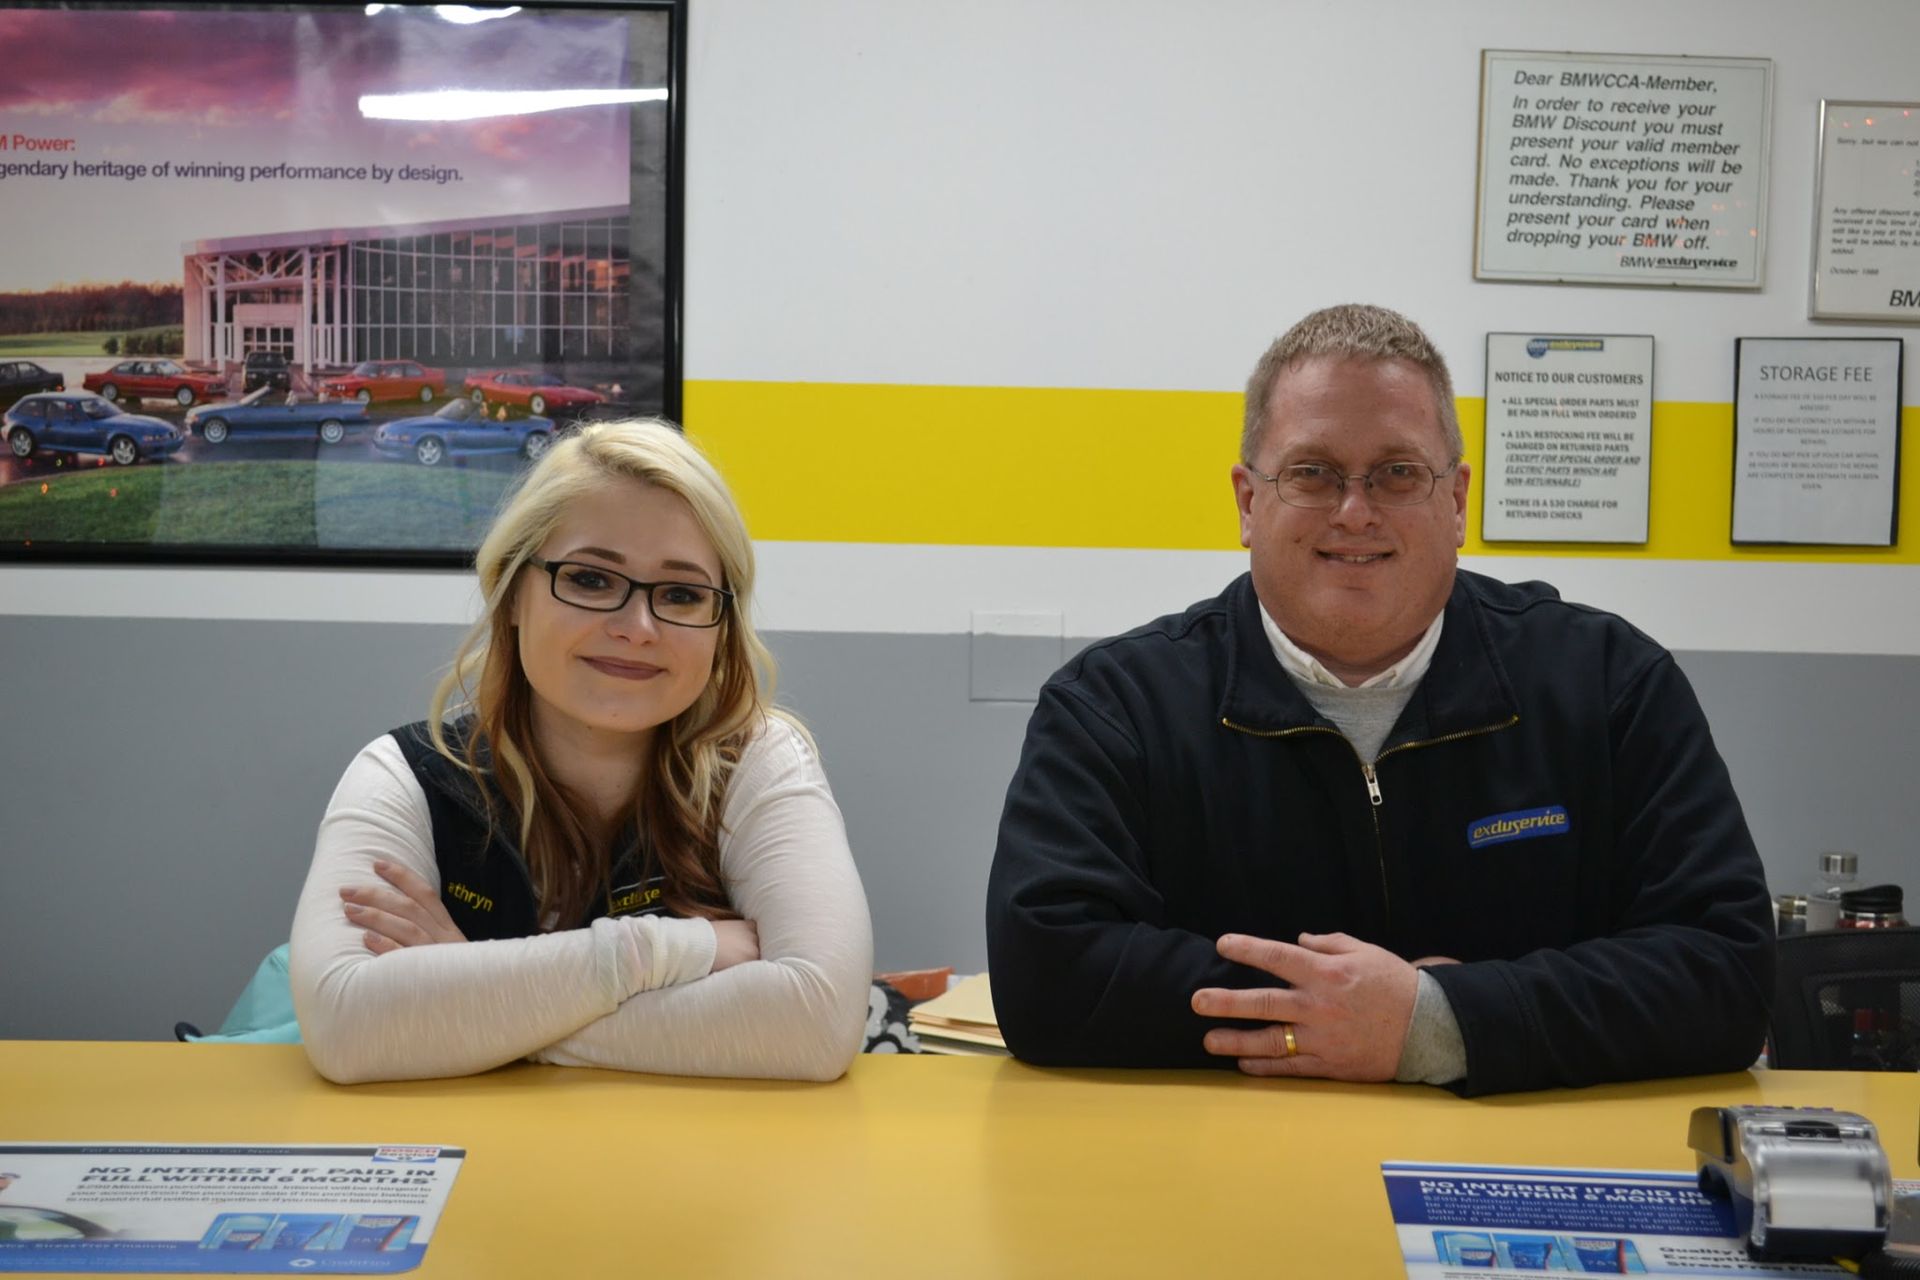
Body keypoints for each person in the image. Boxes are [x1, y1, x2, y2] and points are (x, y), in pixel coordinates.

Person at [984, 304, 1774, 1095]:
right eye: (1311, 472)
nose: (1354, 512)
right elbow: (1045, 971)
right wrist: (1336, 1018)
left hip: (1524, 1186)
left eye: (1398, 472)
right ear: (1249, 502)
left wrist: (1439, 1019)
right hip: (1224, 1186)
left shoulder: (1608, 686)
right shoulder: (1115, 708)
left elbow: (1728, 970)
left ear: (1457, 500)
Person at [290, 420, 873, 1083]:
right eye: (592, 579)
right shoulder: (401, 777)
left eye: (681, 594)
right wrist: (677, 950)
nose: (637, 628)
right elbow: (345, 1028)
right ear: (512, 593)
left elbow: (818, 1023)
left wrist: (479, 1014)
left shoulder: (761, 762)